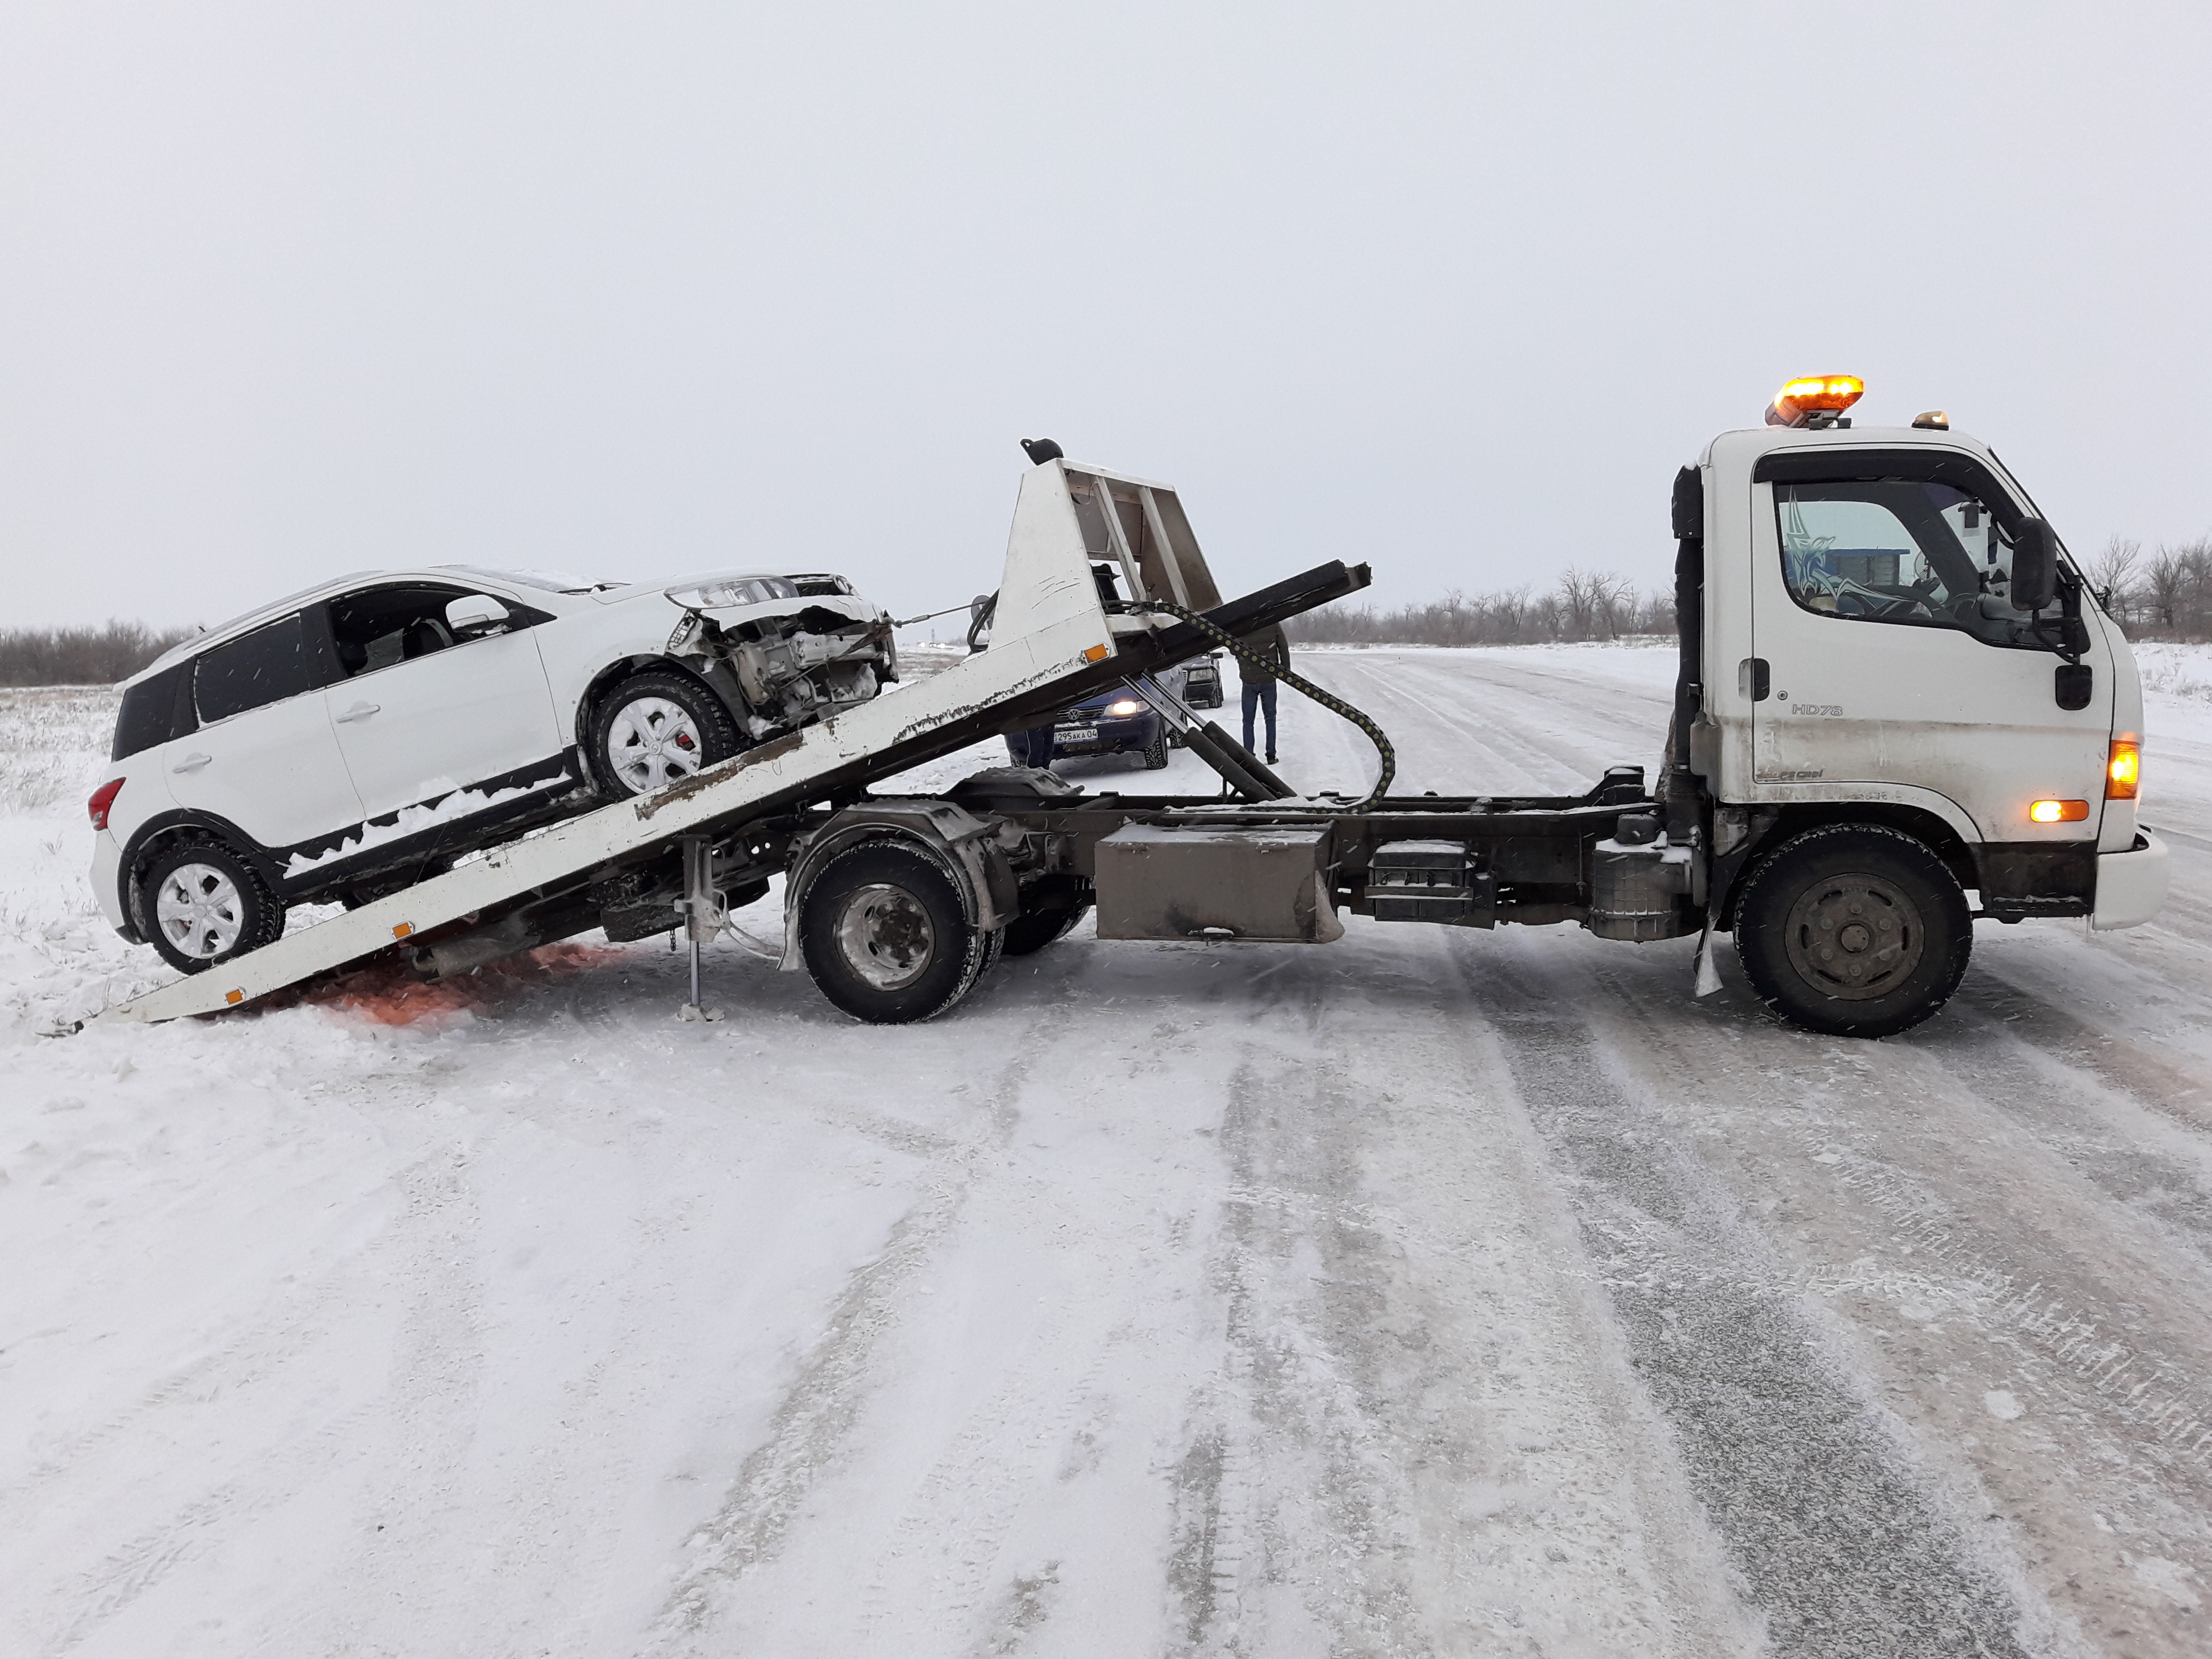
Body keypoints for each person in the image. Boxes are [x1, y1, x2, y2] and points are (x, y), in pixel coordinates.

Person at [1238, 622, 1289, 763]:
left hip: (1249, 680)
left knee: (1248, 721)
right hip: (1268, 679)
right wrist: (1286, 671)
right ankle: (1271, 754)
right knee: (1270, 718)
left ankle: (1249, 755)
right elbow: (1283, 647)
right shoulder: (1273, 624)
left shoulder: (1243, 626)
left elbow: (1233, 648)